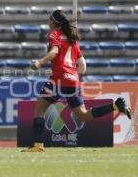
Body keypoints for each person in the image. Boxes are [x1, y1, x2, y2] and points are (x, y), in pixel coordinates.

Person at [25, 10, 131, 152]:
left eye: (49, 20)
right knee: (83, 115)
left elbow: (55, 51)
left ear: (54, 23)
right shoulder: (73, 40)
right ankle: (115, 106)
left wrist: (40, 62)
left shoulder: (54, 35)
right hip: (73, 80)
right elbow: (83, 65)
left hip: (58, 80)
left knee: (40, 108)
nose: (47, 22)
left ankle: (38, 145)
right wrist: (74, 77)